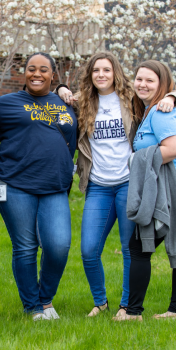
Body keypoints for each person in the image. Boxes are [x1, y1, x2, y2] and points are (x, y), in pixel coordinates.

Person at [57, 52, 175, 317]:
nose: (101, 75)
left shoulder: (131, 98)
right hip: (98, 185)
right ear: (90, 74)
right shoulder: (84, 101)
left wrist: (171, 96)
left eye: (107, 70)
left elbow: (160, 89)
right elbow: (53, 96)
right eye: (96, 70)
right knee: (89, 250)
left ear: (116, 73)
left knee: (128, 249)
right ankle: (100, 302)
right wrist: (61, 87)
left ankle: (125, 305)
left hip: (128, 184)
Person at [0, 52, 77, 321]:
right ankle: (33, 307)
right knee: (25, 245)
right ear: (24, 73)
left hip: (54, 184)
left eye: (43, 70)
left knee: (59, 244)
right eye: (31, 69)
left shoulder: (66, 103)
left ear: (53, 75)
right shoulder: (4, 104)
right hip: (12, 182)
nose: (36, 74)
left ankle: (45, 299)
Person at [113, 60, 176, 321]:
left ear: (162, 84)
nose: (142, 84)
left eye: (150, 80)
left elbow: (172, 148)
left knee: (139, 247)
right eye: (139, 79)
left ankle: (133, 312)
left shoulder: (161, 112)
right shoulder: (151, 109)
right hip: (163, 186)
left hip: (166, 190)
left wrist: (136, 161)